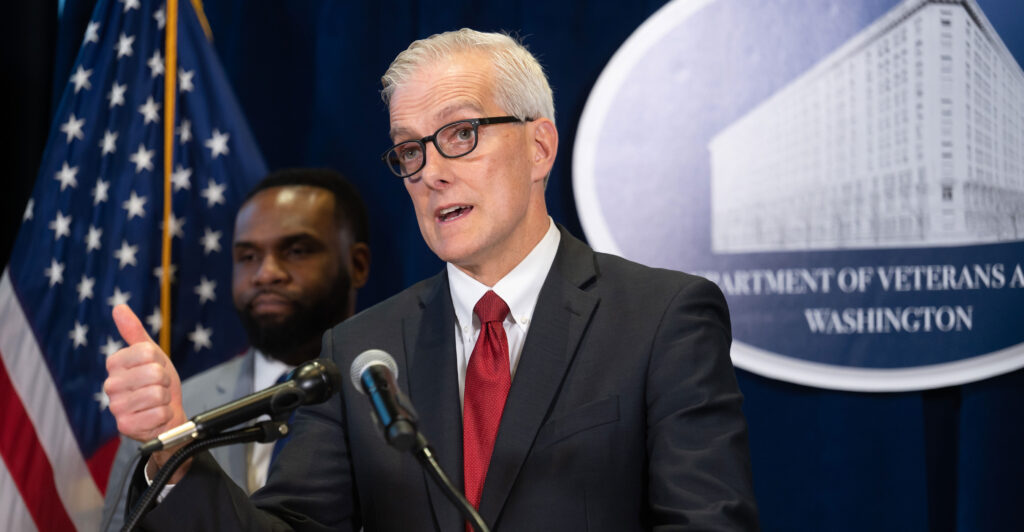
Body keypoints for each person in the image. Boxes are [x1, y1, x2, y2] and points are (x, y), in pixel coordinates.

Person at [104, 29, 759, 531]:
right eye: (410, 149)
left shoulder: (661, 318)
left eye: (461, 134)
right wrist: (175, 445)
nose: (431, 172)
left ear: (539, 147)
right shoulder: (359, 352)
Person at [101, 168, 370, 530]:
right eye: (248, 256)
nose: (266, 273)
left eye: (296, 250)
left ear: (357, 265)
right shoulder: (167, 410)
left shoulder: (399, 397)